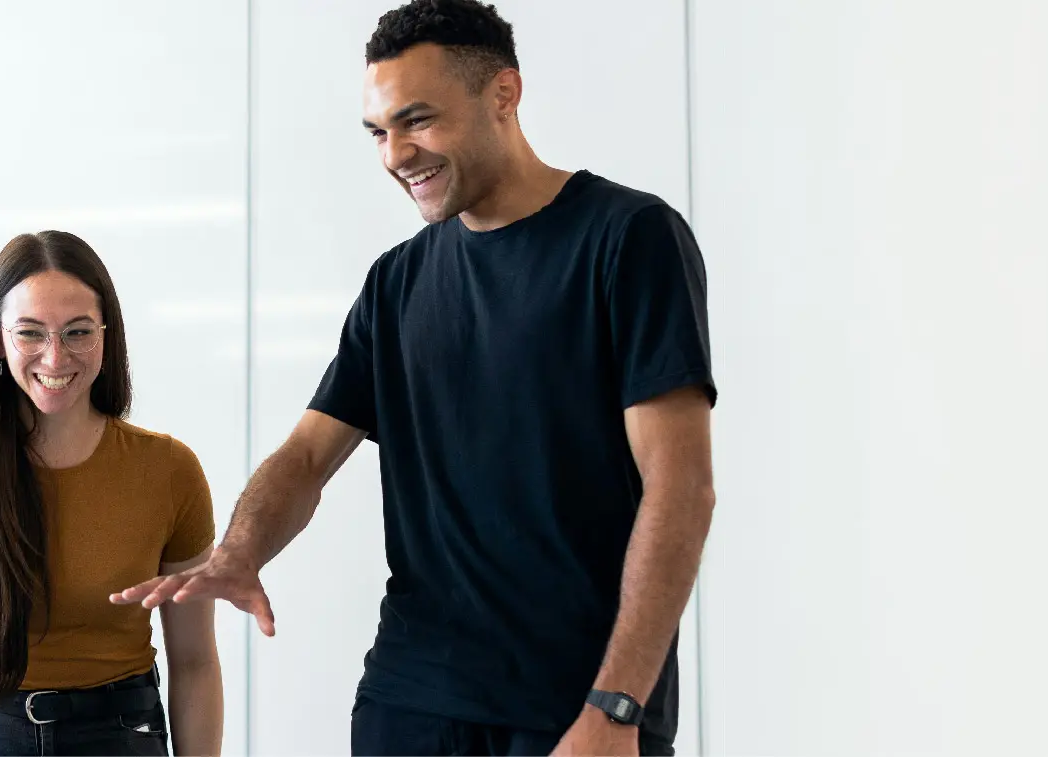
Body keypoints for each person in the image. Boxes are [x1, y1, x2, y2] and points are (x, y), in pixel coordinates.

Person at [111, 1, 717, 754]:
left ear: (503, 95)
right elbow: (305, 457)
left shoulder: (627, 240)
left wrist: (618, 704)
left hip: (575, 704)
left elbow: (681, 486)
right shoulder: (397, 282)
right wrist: (241, 550)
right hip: (411, 700)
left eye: (417, 120)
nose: (395, 153)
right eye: (378, 131)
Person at [0, 231, 223, 756]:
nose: (55, 356)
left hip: (118, 730)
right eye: (30, 333)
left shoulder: (170, 470)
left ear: (107, 336)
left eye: (78, 331)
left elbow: (196, 660)